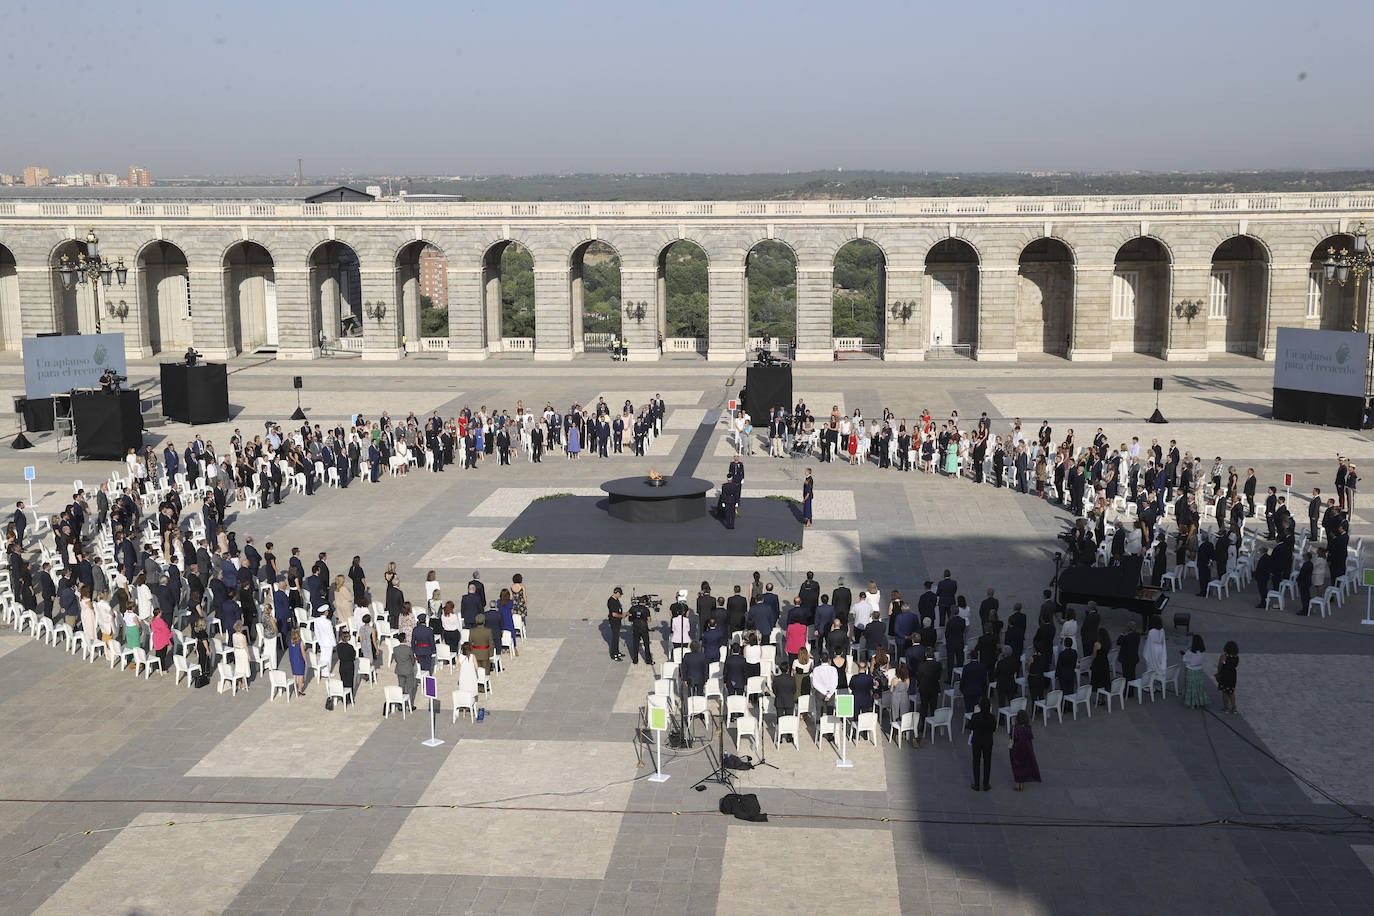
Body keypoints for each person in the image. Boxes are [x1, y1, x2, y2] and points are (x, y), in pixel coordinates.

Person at [1008, 709, 1042, 791]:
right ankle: (1022, 784)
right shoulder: (1028, 728)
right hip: (1026, 750)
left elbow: (1011, 737)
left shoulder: (1015, 728)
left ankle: (1017, 784)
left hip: (1016, 750)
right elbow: (1030, 737)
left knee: (1016, 767)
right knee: (1024, 767)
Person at [969, 697, 997, 791]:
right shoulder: (991, 717)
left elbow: (970, 726)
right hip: (988, 742)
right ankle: (986, 784)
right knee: (987, 762)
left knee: (976, 762)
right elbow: (994, 729)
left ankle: (976, 784)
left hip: (977, 741)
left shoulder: (975, 716)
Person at [1182, 634, 1209, 708]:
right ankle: (1198, 702)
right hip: (1199, 670)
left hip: (1191, 670)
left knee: (1191, 687)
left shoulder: (1190, 652)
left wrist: (1185, 653)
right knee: (1198, 687)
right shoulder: (1203, 651)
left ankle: (1192, 703)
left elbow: (1185, 660)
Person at [392, 631, 418, 705]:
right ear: (404, 639)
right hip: (408, 670)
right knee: (410, 687)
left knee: (401, 686)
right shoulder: (408, 649)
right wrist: (410, 665)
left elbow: (396, 659)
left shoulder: (395, 649)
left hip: (399, 669)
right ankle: (410, 704)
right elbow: (413, 660)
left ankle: (401, 704)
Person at [627, 597, 653, 665]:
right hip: (644, 628)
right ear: (644, 602)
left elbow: (628, 615)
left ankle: (635, 660)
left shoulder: (633, 608)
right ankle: (648, 660)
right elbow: (649, 620)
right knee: (646, 644)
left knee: (635, 644)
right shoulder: (646, 609)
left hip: (636, 627)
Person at [1216, 640, 1239, 714]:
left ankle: (1226, 708)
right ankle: (1234, 708)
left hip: (1225, 675)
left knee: (1225, 692)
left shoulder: (1224, 656)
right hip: (1232, 675)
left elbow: (1220, 666)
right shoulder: (1236, 657)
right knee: (1231, 692)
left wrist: (1219, 673)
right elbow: (1234, 665)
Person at [336, 630, 357, 700]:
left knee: (343, 681)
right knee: (349, 682)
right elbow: (353, 655)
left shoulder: (338, 646)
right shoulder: (350, 647)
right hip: (349, 665)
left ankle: (344, 697)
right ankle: (349, 698)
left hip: (342, 665)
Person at [606, 587, 625, 661]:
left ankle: (617, 652)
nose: (620, 596)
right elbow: (614, 614)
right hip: (614, 621)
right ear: (616, 593)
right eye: (620, 594)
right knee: (615, 638)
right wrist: (622, 615)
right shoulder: (611, 601)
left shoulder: (616, 600)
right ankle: (614, 654)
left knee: (617, 637)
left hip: (618, 620)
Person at [288, 630, 308, 697]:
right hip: (299, 660)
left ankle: (294, 688)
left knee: (294, 674)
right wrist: (306, 661)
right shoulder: (300, 642)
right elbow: (303, 653)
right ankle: (299, 690)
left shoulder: (290, 642)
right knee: (301, 675)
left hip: (292, 659)